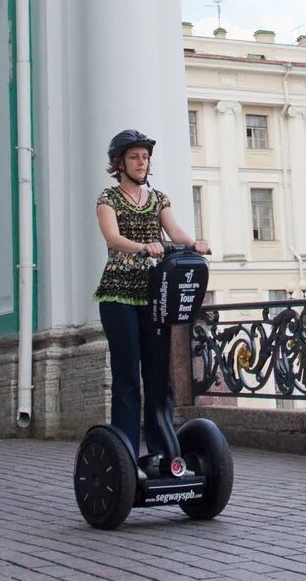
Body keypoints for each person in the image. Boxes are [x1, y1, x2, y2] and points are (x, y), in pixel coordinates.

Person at [94, 129, 208, 472]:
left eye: (144, 157)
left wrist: (194, 243)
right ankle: (126, 455)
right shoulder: (108, 199)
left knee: (159, 375)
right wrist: (143, 246)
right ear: (119, 163)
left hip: (154, 296)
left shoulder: (158, 199)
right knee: (128, 375)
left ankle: (161, 452)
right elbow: (113, 238)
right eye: (134, 157)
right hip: (118, 295)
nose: (141, 162)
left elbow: (175, 232)